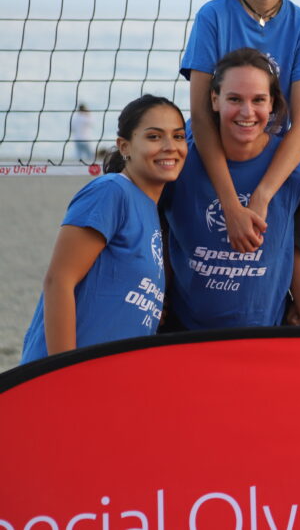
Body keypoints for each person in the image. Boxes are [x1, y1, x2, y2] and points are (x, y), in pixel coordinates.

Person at [162, 48, 300, 329]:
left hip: (263, 333)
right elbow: (157, 222)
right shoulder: (181, 165)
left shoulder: (299, 169)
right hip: (187, 333)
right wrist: (159, 289)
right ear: (214, 100)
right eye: (234, 99)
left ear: (272, 104)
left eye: (258, 100)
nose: (247, 112)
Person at [179, 0, 300, 254]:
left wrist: (262, 195)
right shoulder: (213, 16)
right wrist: (230, 204)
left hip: (267, 147)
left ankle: (299, 290)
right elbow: (200, 115)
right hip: (215, 142)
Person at [22, 95, 187, 362]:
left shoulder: (151, 213)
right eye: (154, 137)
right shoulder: (111, 191)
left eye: (178, 136)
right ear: (125, 147)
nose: (171, 146)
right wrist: (62, 372)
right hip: (69, 376)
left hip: (109, 380)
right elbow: (58, 281)